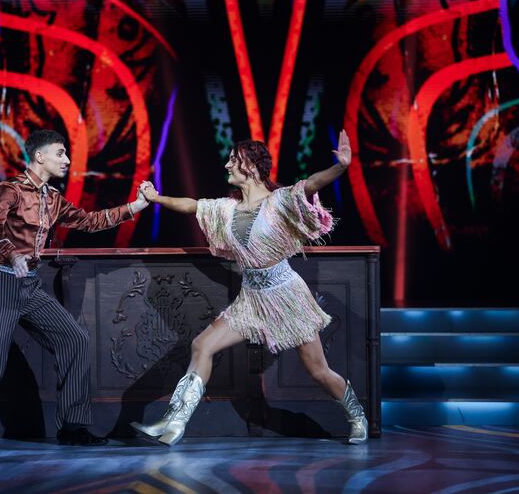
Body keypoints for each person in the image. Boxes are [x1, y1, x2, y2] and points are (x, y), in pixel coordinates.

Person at [131, 130, 368, 445]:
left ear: (252, 167)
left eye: (234, 160)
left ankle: (357, 416)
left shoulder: (280, 201)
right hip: (251, 299)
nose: (227, 165)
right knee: (202, 345)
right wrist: (155, 197)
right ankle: (175, 421)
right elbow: (192, 205)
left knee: (318, 371)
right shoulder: (226, 209)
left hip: (286, 296)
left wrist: (340, 168)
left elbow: (310, 184)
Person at [0, 129, 149, 447]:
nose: (68, 160)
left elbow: (89, 221)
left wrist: (135, 206)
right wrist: (12, 253)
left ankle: (73, 427)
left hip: (29, 286)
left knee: (75, 340)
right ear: (39, 156)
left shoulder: (53, 198)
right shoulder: (10, 189)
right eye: (61, 153)